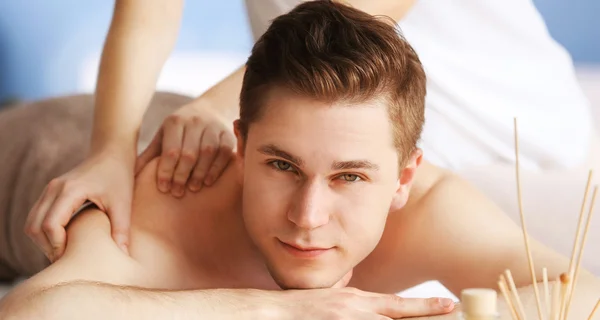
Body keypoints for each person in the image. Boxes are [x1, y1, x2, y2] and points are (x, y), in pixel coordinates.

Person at [0, 0, 598, 320]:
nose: (308, 218)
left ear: (405, 177)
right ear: (239, 147)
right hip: (33, 144)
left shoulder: (428, 208)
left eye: (351, 177)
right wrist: (284, 314)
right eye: (281, 166)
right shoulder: (164, 201)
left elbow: (588, 305)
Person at [24, 0, 600, 272]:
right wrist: (109, 151)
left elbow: (363, 9)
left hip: (502, 117)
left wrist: (212, 103)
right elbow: (147, 10)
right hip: (307, 110)